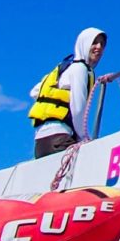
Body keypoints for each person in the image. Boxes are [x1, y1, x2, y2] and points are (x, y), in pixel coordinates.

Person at [28, 28, 106, 159]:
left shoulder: (64, 68)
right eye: (94, 42)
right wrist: (83, 138)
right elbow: (78, 109)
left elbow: (35, 92)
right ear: (84, 43)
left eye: (102, 44)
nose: (99, 47)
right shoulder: (80, 69)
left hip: (40, 143)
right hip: (60, 138)